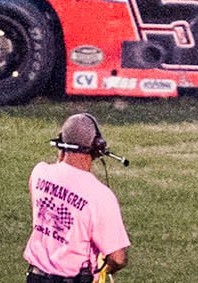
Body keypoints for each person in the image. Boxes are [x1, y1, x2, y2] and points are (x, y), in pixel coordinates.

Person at [26, 113, 130, 283]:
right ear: (98, 147)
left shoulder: (39, 173)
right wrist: (102, 270)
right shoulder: (100, 196)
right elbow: (118, 258)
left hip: (35, 277)